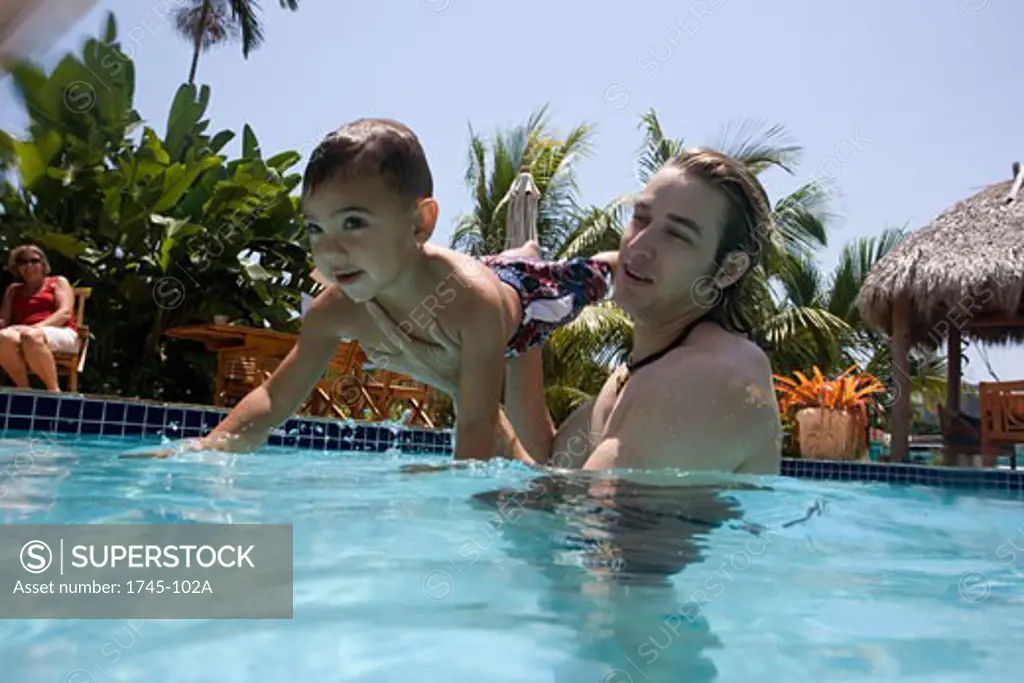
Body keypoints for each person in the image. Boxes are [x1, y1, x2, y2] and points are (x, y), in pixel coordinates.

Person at [159, 118, 617, 459]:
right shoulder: (332, 311)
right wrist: (213, 446)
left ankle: (595, 257)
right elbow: (276, 398)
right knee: (537, 464)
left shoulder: (469, 302)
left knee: (594, 279)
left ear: (420, 222)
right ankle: (518, 251)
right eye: (316, 228)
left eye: (353, 223)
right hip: (468, 319)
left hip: (524, 300)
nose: (331, 248)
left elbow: (477, 421)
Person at [384, 148, 783, 476]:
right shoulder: (639, 371)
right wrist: (523, 313)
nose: (640, 246)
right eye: (641, 218)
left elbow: (587, 535)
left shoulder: (709, 375)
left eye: (677, 234)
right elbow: (549, 463)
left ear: (728, 269)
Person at [0, 244, 79, 392]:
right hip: (23, 334)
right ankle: (24, 390)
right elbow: (3, 320)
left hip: (60, 331)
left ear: (43, 264)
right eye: (22, 262)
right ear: (17, 267)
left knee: (31, 336)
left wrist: (35, 327)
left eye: (34, 260)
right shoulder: (13, 290)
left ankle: (54, 392)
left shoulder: (57, 282)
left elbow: (64, 313)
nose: (28, 265)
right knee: (2, 337)